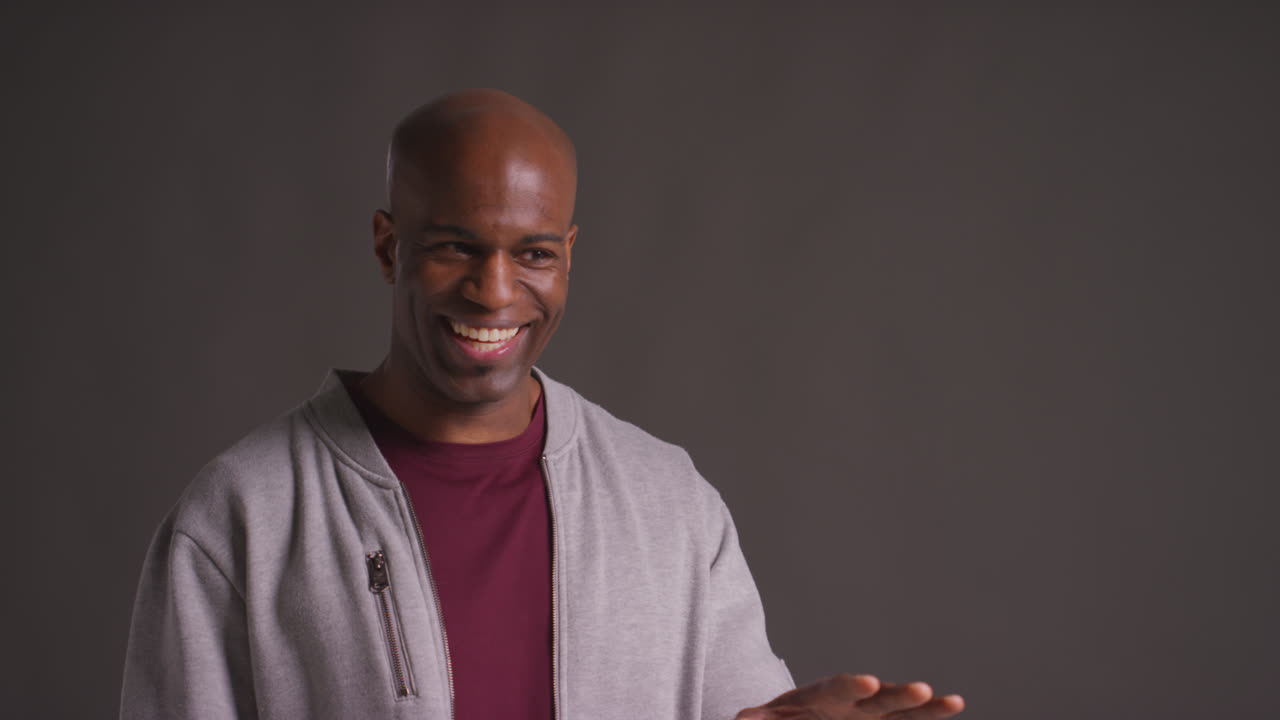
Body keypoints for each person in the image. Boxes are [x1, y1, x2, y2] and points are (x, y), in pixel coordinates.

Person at [120, 89, 965, 720]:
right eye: (456, 246)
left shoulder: (667, 502)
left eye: (531, 254)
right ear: (389, 246)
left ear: (567, 255)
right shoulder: (241, 518)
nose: (495, 292)